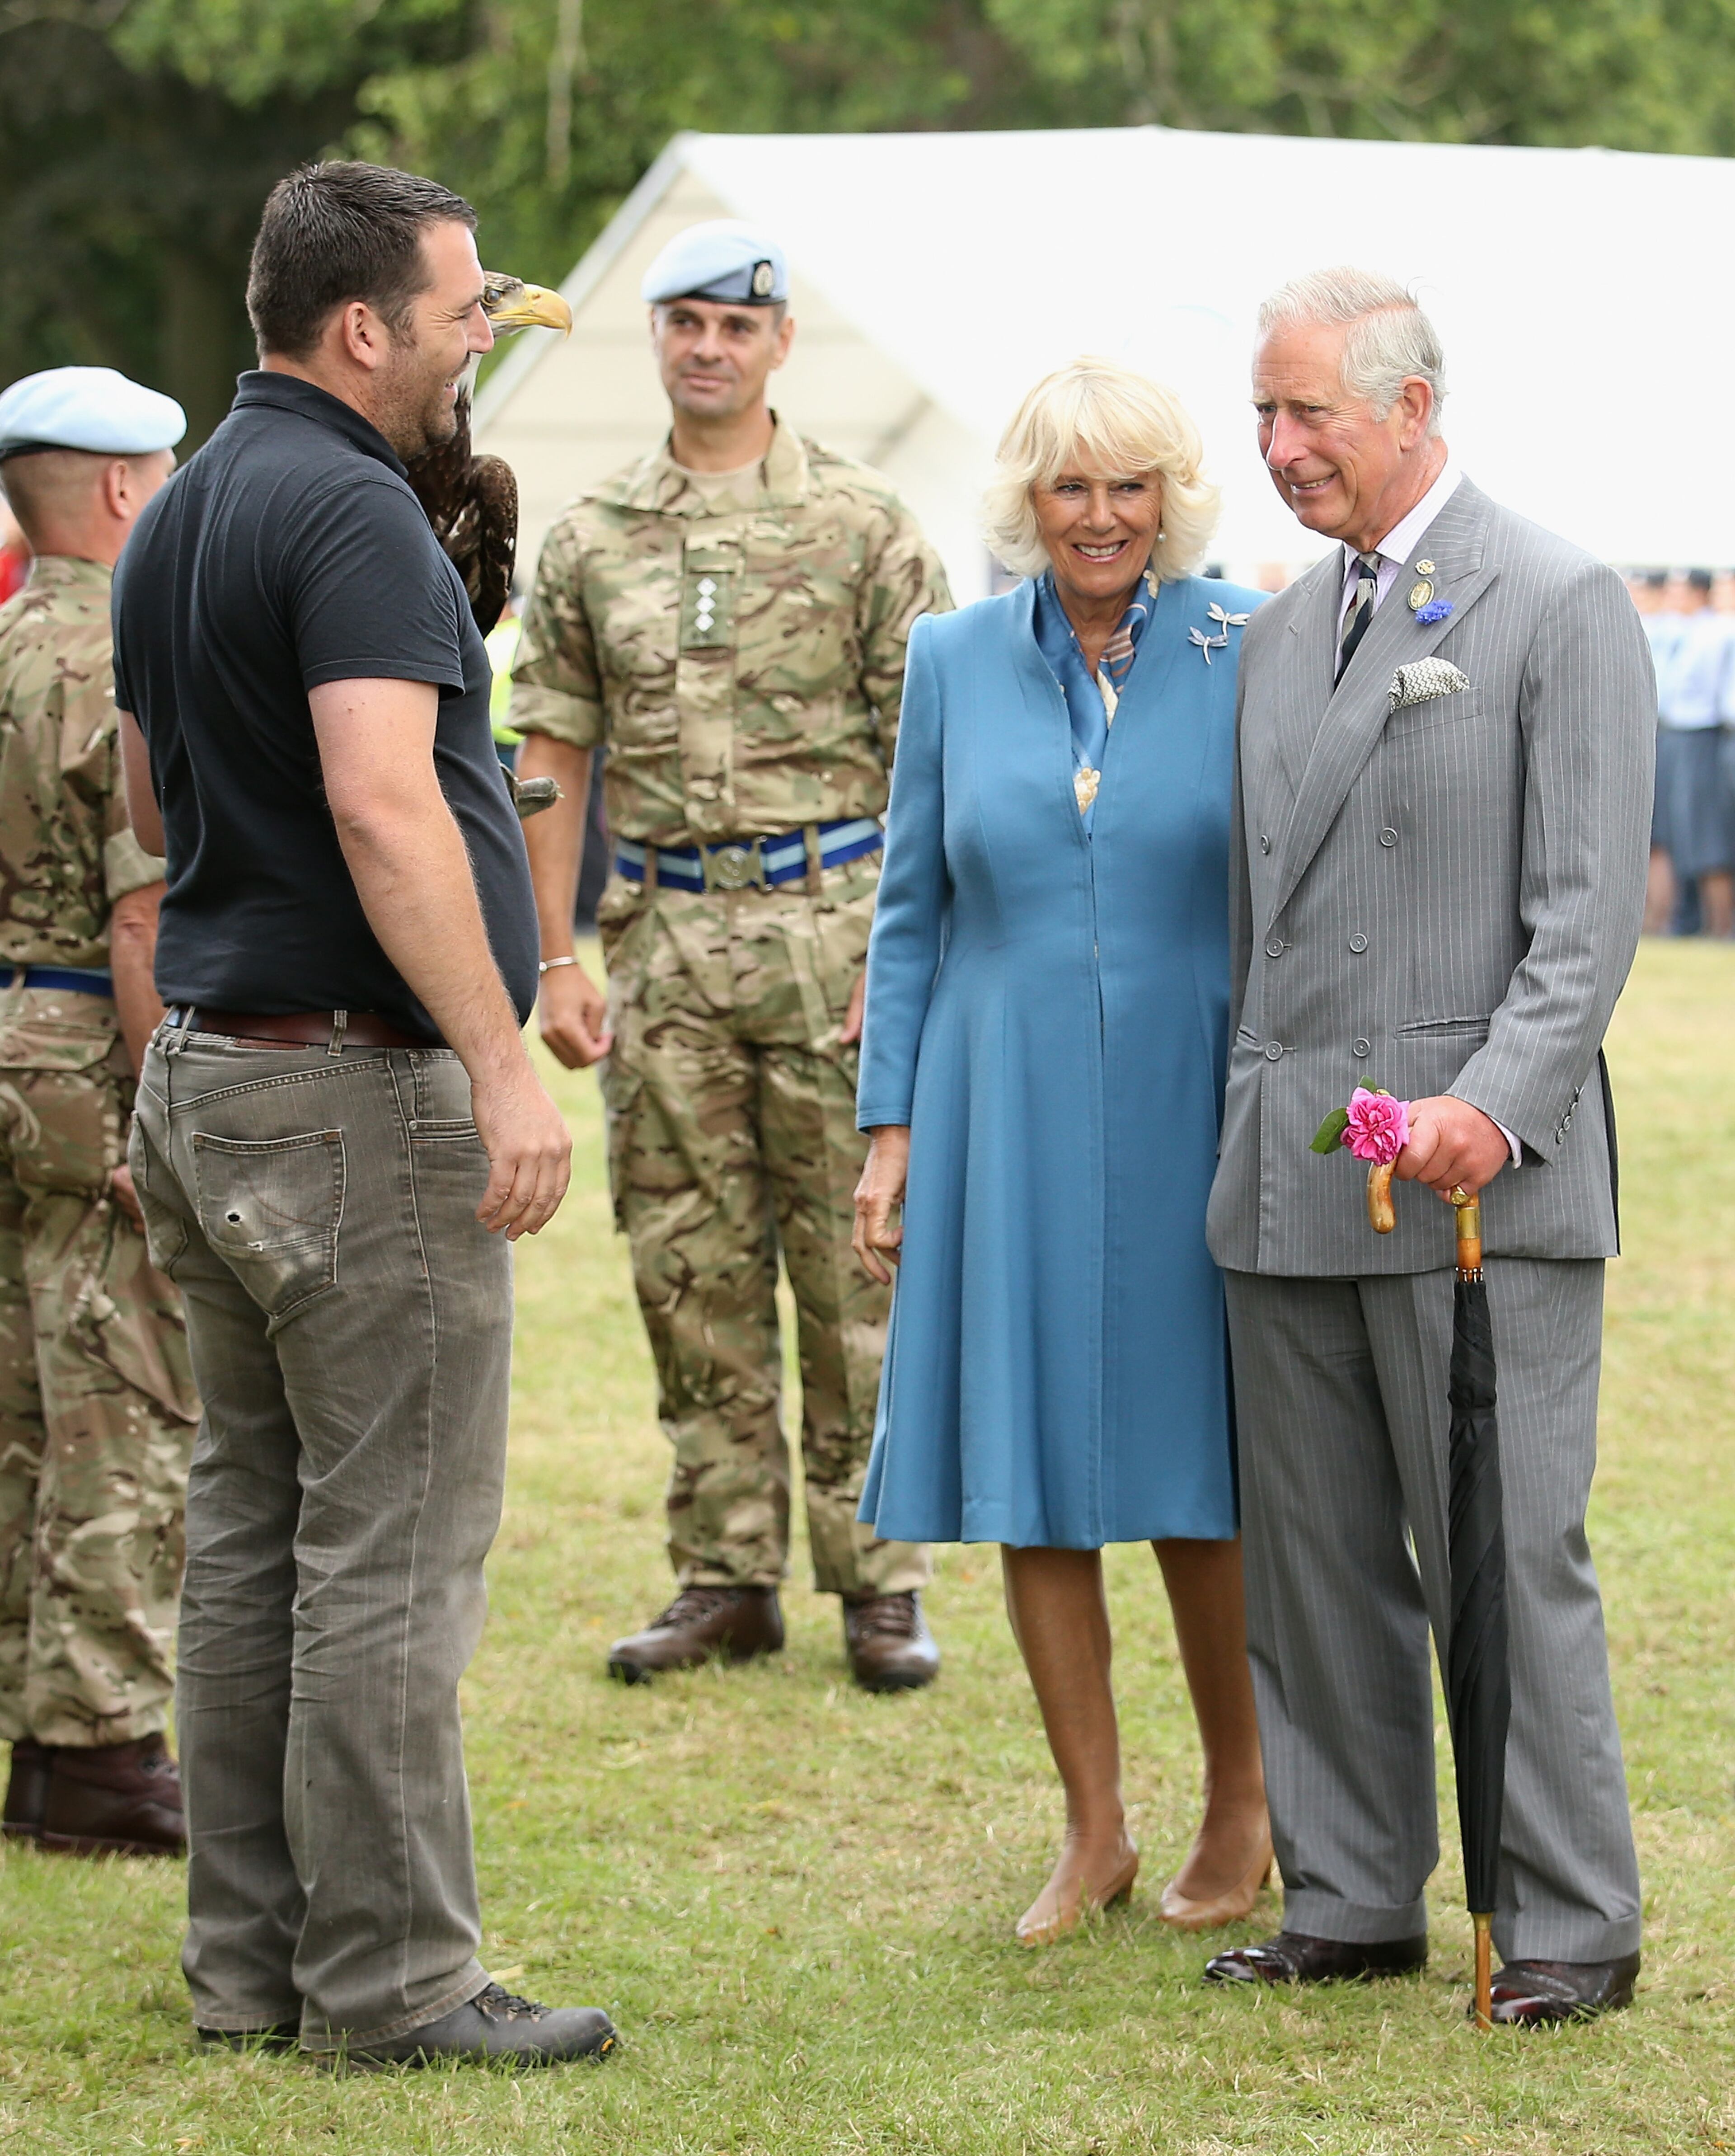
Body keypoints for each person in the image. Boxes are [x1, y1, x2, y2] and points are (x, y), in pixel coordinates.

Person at [112, 162, 614, 2068]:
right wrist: (497, 1057)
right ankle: (397, 1987)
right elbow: (384, 801)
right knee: (388, 1553)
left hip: (214, 1072)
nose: (479, 334)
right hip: (344, 1091)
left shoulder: (177, 519)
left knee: (251, 1538)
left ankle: (251, 1970)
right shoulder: (354, 513)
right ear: (362, 331)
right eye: (463, 307)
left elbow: (168, 804)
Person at [1204, 268, 1650, 2028]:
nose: (1280, 443)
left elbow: (1586, 916)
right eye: (1265, 411)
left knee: (1503, 1558)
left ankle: (1566, 1919)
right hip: (1288, 1170)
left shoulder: (1557, 601)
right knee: (1313, 1565)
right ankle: (1352, 1888)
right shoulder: (1277, 627)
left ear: (1412, 405)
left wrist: (1499, 1099)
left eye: (1310, 411)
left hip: (1477, 1177)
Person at [851, 358, 1272, 1945]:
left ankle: (1247, 1799)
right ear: (1028, 500)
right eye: (1070, 485)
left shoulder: (1248, 642)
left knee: (1201, 1463)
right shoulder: (950, 659)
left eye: (1131, 485)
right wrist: (889, 1133)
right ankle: (1092, 1827)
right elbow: (908, 910)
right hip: (995, 1089)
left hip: (1196, 1085)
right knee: (1032, 1468)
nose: (1101, 516)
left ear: (1171, 499)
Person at [511, 220, 952, 1691]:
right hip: (667, 939)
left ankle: (878, 1580)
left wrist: (914, 954)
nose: (709, 346)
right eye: (685, 322)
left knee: (855, 1266)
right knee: (687, 1264)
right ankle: (725, 1571)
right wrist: (555, 959)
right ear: (655, 337)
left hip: (837, 934)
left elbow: (934, 765)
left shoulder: (866, 524)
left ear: (779, 347)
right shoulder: (590, 536)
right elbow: (554, 748)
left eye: (736, 326)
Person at [0, 367, 198, 1858]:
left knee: (25, 1397)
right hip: (83, 1045)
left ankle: (41, 1736)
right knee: (121, 1395)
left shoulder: (5, 644)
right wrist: (159, 1119)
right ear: (125, 491)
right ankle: (106, 1752)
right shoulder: (118, 661)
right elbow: (145, 925)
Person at [1651, 568, 1734, 936]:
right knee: (1682, 832)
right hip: (1677, 731)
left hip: (1705, 733)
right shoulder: (1691, 630)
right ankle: (1687, 922)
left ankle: (1717, 927)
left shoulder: (1720, 630)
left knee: (1707, 833)